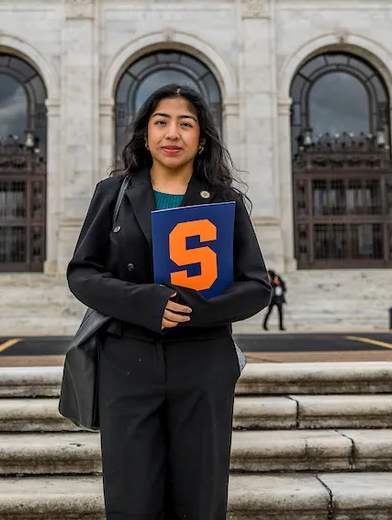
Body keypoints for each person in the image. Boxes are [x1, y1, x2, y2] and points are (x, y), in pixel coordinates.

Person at [67, 84, 272, 520]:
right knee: (130, 500)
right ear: (145, 134)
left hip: (203, 364)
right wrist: (145, 301)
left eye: (186, 123)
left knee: (200, 499)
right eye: (161, 122)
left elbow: (256, 285)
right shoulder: (114, 192)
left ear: (202, 137)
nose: (172, 133)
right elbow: (82, 273)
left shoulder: (224, 200)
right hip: (127, 360)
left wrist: (197, 309)